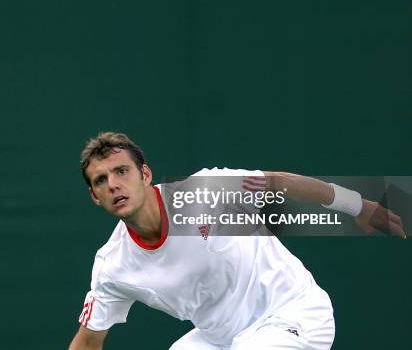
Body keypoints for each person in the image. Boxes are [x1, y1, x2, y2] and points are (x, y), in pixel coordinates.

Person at [68, 132, 406, 350]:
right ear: (95, 196)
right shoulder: (112, 266)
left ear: (145, 174)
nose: (113, 184)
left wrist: (358, 206)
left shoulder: (203, 193)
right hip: (222, 340)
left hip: (292, 314)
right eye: (101, 180)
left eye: (121, 171)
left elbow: (278, 182)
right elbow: (87, 342)